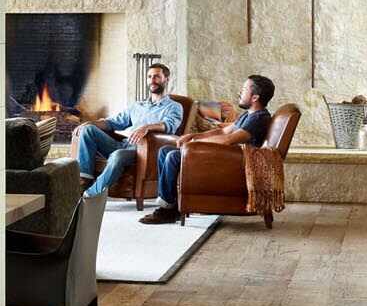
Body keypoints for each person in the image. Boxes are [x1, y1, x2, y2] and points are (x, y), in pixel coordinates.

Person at [142, 74, 276, 226]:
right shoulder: (248, 115)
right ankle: (171, 205)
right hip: (228, 156)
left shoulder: (258, 118)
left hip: (235, 163)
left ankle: (166, 210)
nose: (240, 92)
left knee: (173, 156)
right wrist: (194, 136)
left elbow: (228, 140)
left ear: (254, 98)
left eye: (244, 89)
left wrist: (194, 145)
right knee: (165, 151)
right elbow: (224, 132)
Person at [73, 62, 184, 196]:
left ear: (166, 79)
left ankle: (90, 194)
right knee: (89, 130)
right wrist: (89, 123)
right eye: (149, 77)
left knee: (117, 155)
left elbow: (169, 125)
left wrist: (147, 128)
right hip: (125, 144)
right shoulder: (138, 106)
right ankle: (84, 180)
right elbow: (113, 123)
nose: (152, 80)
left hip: (144, 151)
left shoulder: (174, 106)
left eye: (156, 77)